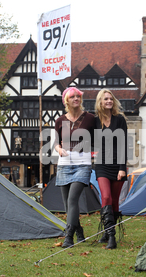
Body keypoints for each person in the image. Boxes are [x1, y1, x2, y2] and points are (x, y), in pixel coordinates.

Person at [54, 87, 95, 248]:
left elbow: (98, 137)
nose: (76, 99)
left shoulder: (90, 118)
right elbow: (56, 142)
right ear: (66, 101)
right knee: (67, 205)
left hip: (82, 164)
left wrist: (95, 151)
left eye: (78, 96)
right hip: (64, 164)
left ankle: (68, 237)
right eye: (72, 97)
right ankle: (79, 232)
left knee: (72, 199)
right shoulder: (60, 120)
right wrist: (58, 149)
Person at [94, 89, 128, 249]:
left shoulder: (119, 120)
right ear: (100, 102)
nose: (109, 101)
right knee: (106, 197)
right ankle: (112, 237)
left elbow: (123, 145)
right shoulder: (95, 121)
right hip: (101, 165)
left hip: (117, 166)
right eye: (106, 99)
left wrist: (122, 168)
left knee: (114, 203)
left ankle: (107, 233)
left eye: (111, 99)